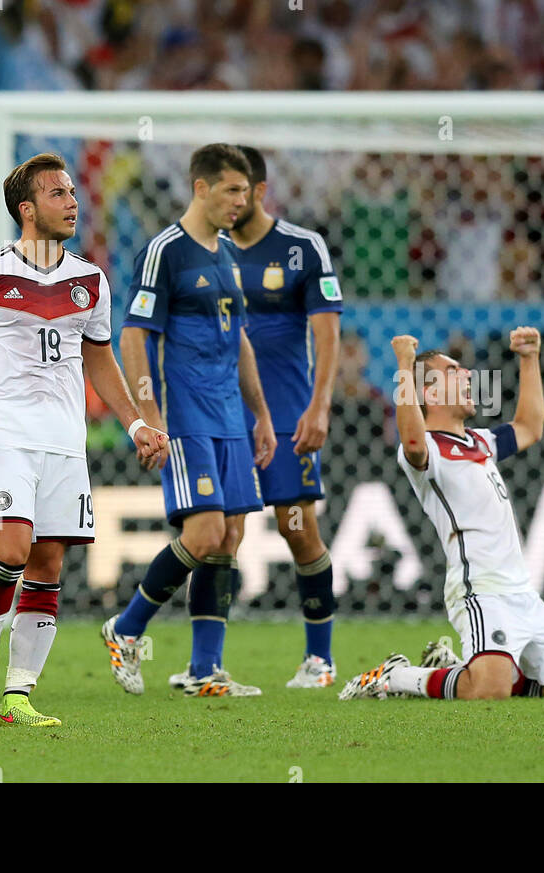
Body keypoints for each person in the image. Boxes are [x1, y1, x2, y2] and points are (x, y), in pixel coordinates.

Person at [0, 152, 166, 726]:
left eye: (73, 192)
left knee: (48, 564)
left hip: (65, 439)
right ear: (27, 210)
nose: (72, 202)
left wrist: (135, 423)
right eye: (58, 194)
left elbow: (100, 359)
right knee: (8, 551)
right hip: (7, 430)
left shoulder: (91, 280)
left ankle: (17, 698)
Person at [103, 144, 276, 698]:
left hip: (230, 417)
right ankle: (124, 629)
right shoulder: (165, 252)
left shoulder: (227, 254)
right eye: (230, 190)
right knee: (202, 533)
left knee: (229, 534)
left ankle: (206, 670)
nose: (240, 203)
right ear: (200, 188)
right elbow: (134, 335)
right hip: (186, 416)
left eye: (246, 193)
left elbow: (241, 340)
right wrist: (150, 417)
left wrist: (262, 417)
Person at [338, 328, 544, 701]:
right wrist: (405, 365)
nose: (468, 374)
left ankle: (459, 668)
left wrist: (529, 359)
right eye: (454, 371)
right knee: (488, 691)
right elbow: (410, 440)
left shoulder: (480, 441)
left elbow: (530, 427)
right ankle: (398, 677)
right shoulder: (429, 450)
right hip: (479, 589)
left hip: (521, 590)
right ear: (430, 393)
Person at [220, 145, 343, 689]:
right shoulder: (207, 251)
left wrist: (320, 406)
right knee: (222, 535)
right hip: (225, 416)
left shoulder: (302, 247)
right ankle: (209, 665)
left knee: (297, 530)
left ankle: (320, 660)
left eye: (238, 190)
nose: (230, 200)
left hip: (291, 415)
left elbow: (327, 334)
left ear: (260, 192)